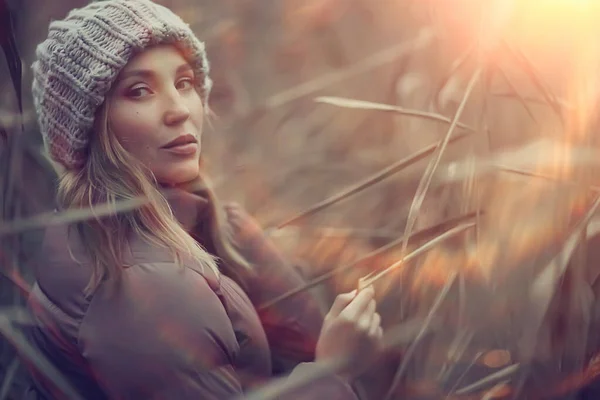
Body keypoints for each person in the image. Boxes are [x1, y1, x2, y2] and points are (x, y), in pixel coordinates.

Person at [23, 0, 384, 398]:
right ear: (87, 127)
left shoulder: (181, 223)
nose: (178, 110)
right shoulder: (143, 288)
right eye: (139, 91)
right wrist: (334, 370)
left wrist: (234, 240)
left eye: (184, 83)